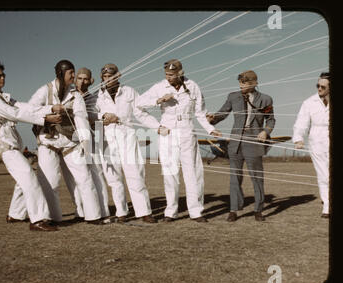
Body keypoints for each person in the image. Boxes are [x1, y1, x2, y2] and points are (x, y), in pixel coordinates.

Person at [137, 59, 221, 223]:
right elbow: (139, 104)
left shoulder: (193, 86)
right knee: (170, 174)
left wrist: (211, 129)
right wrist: (158, 103)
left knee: (193, 173)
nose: (169, 78)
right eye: (167, 74)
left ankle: (196, 212)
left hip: (187, 131)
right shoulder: (159, 87)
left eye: (172, 75)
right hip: (167, 131)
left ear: (180, 73)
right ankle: (171, 211)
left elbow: (200, 112)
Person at [0, 61, 59, 231]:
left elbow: (25, 107)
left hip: (13, 147)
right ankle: (38, 220)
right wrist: (45, 119)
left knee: (24, 178)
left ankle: (15, 214)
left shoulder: (3, 97)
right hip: (6, 148)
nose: (2, 78)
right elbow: (15, 114)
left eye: (3, 75)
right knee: (30, 179)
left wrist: (50, 108)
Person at [28, 59, 105, 225]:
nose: (73, 76)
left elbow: (81, 117)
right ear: (60, 74)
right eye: (71, 73)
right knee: (50, 180)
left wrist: (85, 141)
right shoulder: (44, 90)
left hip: (70, 142)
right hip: (48, 142)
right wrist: (48, 114)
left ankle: (93, 216)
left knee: (84, 178)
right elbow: (30, 110)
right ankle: (52, 217)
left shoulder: (75, 94)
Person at [91, 63, 158, 223]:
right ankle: (121, 212)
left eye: (111, 76)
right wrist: (104, 116)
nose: (108, 79)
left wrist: (157, 126)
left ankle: (144, 212)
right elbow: (91, 116)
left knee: (135, 174)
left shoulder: (129, 92)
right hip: (107, 140)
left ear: (118, 75)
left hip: (127, 137)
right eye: (105, 77)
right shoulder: (96, 97)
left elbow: (141, 114)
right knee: (114, 178)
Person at [207, 70, 276, 222]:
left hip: (254, 142)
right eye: (240, 83)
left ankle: (258, 210)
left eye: (244, 83)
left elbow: (271, 120)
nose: (241, 86)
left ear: (254, 83)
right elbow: (222, 113)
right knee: (234, 178)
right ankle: (233, 210)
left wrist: (265, 132)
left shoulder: (265, 99)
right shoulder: (233, 96)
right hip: (235, 143)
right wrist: (212, 120)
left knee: (256, 178)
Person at [70, 67, 111, 221]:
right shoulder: (69, 97)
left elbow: (98, 117)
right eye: (79, 78)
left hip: (91, 140)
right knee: (77, 178)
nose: (82, 82)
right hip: (72, 141)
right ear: (75, 80)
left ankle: (103, 210)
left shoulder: (94, 99)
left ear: (90, 81)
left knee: (97, 174)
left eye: (85, 79)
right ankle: (80, 210)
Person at [293, 72, 330, 218]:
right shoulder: (309, 102)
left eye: (323, 86)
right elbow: (301, 123)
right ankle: (327, 206)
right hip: (317, 141)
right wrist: (298, 139)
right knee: (324, 175)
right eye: (317, 85)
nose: (319, 89)